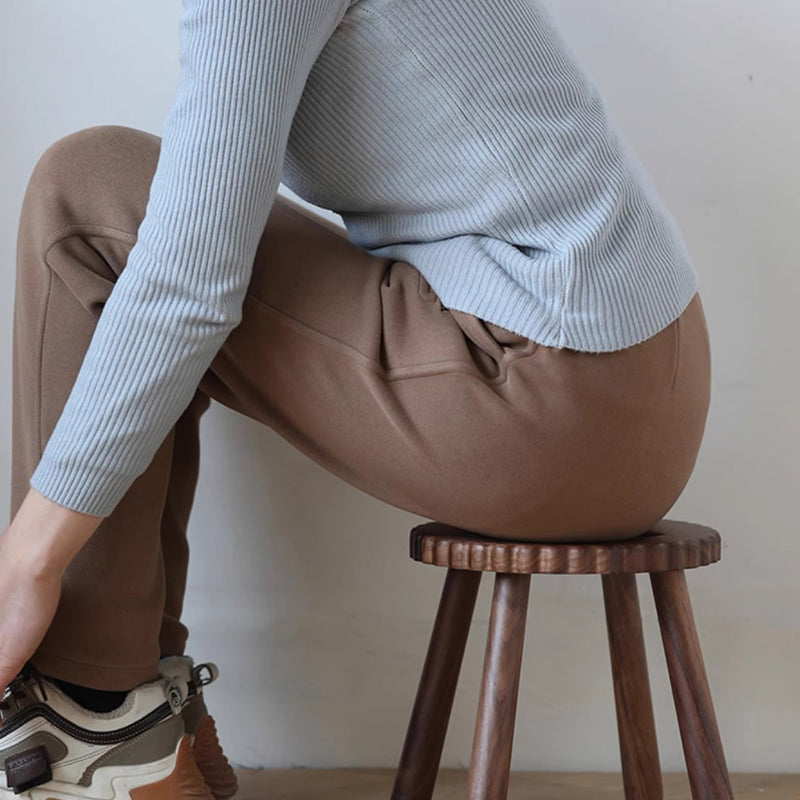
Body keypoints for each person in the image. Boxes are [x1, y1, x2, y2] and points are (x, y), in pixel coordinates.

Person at [0, 0, 710, 796]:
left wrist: (27, 561)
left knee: (86, 193)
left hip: (546, 398)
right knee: (139, 218)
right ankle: (141, 717)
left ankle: (98, 724)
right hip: (643, 386)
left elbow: (189, 285)